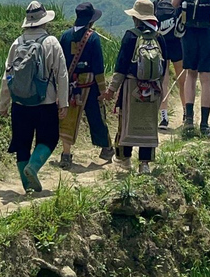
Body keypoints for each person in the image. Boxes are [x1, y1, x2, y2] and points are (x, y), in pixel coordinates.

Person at [0, 2, 69, 193]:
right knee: (50, 137)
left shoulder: (17, 43)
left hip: (20, 103)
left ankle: (27, 186)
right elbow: (62, 74)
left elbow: (7, 76)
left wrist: (3, 104)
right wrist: (63, 102)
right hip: (45, 102)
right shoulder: (51, 42)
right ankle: (33, 167)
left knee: (22, 143)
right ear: (44, 22)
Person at [103, 0, 168, 174]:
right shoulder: (159, 37)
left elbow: (121, 66)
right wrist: (160, 89)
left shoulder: (131, 36)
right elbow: (164, 67)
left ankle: (125, 160)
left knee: (126, 123)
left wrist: (111, 89)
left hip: (132, 87)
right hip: (153, 89)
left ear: (136, 19)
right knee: (149, 125)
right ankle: (145, 163)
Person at [57, 3, 115, 170]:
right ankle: (106, 148)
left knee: (68, 118)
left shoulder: (65, 36)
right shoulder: (93, 38)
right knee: (96, 115)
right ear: (91, 21)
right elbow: (98, 67)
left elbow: (61, 64)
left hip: (69, 85)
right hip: (90, 85)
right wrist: (103, 90)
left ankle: (66, 154)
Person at [173, 0, 210, 136]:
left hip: (189, 32)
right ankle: (204, 125)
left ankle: (189, 121)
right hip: (208, 32)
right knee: (206, 78)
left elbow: (174, 4)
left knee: (190, 75)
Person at [154, 0, 186, 130]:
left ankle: (164, 117)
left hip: (162, 43)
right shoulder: (180, 2)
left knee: (164, 81)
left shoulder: (157, 2)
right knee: (182, 80)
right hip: (178, 43)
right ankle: (186, 113)